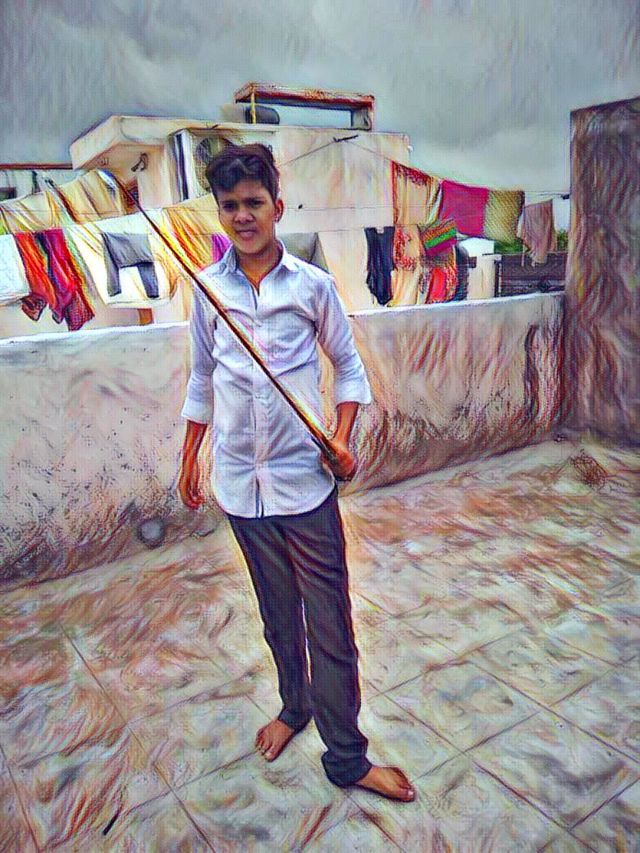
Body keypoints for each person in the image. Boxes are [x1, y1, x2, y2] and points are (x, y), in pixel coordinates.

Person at [178, 143, 414, 802]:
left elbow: (350, 369)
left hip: (305, 486)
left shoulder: (312, 286)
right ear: (220, 213)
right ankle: (294, 707)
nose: (243, 216)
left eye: (254, 203)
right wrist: (189, 455)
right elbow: (201, 377)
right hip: (241, 488)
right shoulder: (208, 289)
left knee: (329, 626)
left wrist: (341, 439)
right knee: (278, 615)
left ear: (277, 207)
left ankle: (347, 758)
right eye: (231, 205)